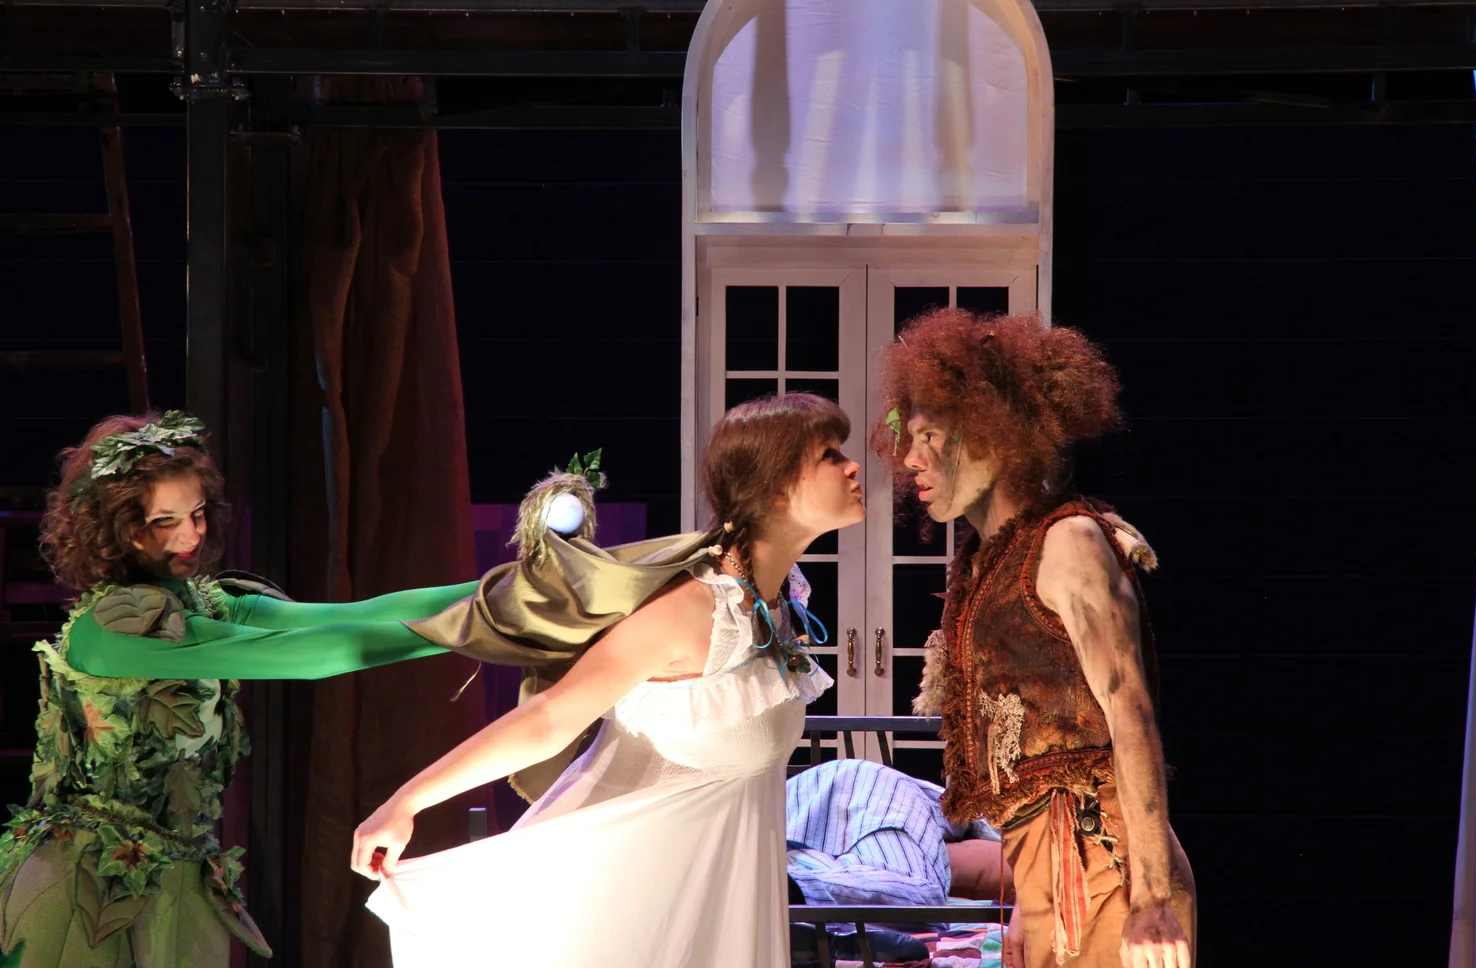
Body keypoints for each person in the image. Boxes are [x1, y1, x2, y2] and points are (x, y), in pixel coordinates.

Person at [354, 393, 865, 968]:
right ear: (773, 489)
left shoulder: (770, 606)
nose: (852, 467)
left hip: (709, 907)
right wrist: (406, 802)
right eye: (829, 454)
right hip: (619, 916)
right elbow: (549, 717)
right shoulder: (690, 611)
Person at [0, 411, 480, 968]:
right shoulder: (115, 628)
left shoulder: (204, 601)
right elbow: (303, 656)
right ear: (117, 528)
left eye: (197, 513)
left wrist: (507, 587)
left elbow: (349, 616)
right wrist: (486, 625)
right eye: (165, 521)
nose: (191, 535)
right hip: (88, 883)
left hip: (180, 871)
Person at [874, 311, 1196, 968]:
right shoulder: (991, 557)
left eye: (930, 436)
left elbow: (1129, 713)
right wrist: (1027, 896)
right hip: (1052, 871)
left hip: (1107, 874)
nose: (911, 458)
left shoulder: (1069, 541)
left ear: (993, 433)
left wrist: (1152, 899)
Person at [785, 758, 1011, 965]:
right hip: (864, 800)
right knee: (917, 902)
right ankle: (789, 897)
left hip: (811, 804)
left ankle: (789, 900)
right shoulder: (989, 826)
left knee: (916, 901)